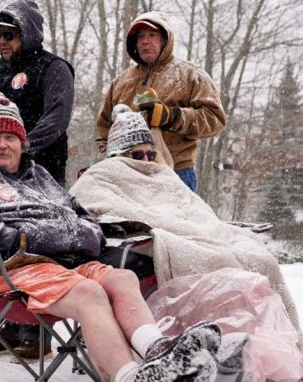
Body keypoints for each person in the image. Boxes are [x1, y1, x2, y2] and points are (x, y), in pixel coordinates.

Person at [0, 92, 223, 381]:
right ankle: (131, 376)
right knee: (89, 293)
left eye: (10, 138)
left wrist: (81, 234)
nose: (2, 145)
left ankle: (157, 352)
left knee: (122, 279)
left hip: (62, 262)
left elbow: (82, 216)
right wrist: (13, 235)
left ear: (22, 143)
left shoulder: (40, 176)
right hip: (6, 268)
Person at [74, 104, 301, 335]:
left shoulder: (162, 174)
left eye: (151, 154)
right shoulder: (102, 175)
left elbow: (190, 206)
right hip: (153, 238)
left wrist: (210, 229)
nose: (146, 160)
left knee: (262, 260)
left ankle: (280, 343)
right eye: (137, 155)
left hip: (194, 230)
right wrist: (149, 222)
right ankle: (224, 340)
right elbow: (89, 203)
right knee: (218, 260)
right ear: (118, 155)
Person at [96, 11, 226, 191]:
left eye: (152, 35)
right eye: (140, 36)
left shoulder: (190, 75)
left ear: (165, 40)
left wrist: (171, 117)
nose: (145, 41)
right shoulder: (121, 82)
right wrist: (110, 158)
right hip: (127, 175)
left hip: (176, 172)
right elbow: (103, 128)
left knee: (173, 220)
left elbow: (215, 120)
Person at [0, 0, 74, 187]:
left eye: (8, 35)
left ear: (27, 34)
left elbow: (56, 119)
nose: (2, 41)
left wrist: (20, 150)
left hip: (41, 171)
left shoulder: (53, 68)